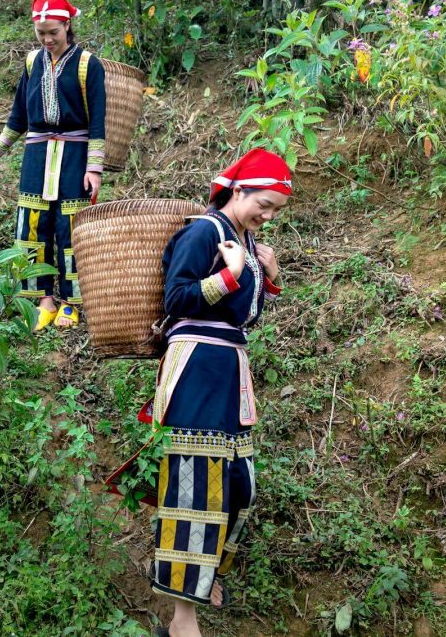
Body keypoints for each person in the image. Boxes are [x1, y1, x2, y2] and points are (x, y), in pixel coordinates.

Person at [150, 148, 290, 637]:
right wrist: (230, 274)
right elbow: (177, 298)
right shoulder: (204, 231)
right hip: (196, 370)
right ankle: (182, 617)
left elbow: (243, 315)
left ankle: (204, 575)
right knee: (195, 485)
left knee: (238, 484)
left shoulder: (246, 242)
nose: (267, 216)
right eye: (264, 205)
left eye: (274, 210)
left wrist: (265, 277)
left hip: (230, 370)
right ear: (239, 189)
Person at [0, 0, 106, 330]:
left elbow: (98, 121)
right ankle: (42, 298)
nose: (47, 39)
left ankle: (70, 301)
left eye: (53, 32)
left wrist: (94, 167)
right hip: (36, 156)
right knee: (33, 224)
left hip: (74, 156)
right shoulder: (32, 62)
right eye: (41, 33)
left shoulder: (87, 64)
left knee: (70, 229)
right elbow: (19, 115)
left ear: (67, 25)